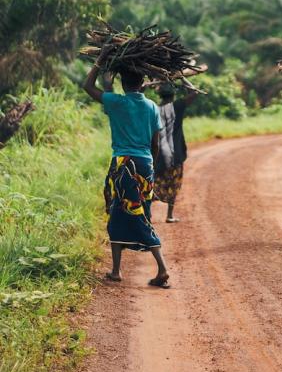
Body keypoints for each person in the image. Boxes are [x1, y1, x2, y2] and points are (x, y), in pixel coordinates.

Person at [83, 53, 173, 287]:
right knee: (137, 212)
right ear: (143, 82)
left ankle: (159, 269)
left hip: (123, 164)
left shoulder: (116, 102)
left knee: (122, 214)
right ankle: (116, 270)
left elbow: (87, 86)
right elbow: (155, 143)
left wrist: (100, 61)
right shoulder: (152, 106)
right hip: (145, 165)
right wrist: (149, 165)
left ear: (123, 83)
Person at [154, 82, 199, 223]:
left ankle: (147, 215)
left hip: (157, 153)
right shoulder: (177, 106)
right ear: (173, 94)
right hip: (175, 153)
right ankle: (169, 215)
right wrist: (183, 79)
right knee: (174, 182)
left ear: (159, 94)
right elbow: (194, 92)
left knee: (154, 182)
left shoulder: (154, 108)